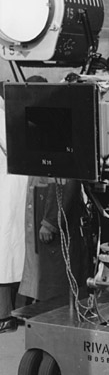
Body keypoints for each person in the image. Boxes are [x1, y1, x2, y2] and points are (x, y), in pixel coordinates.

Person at [19, 76, 90, 304]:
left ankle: (56, 313)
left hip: (55, 210)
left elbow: (66, 178)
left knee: (57, 271)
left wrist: (50, 220)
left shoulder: (58, 123)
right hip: (42, 202)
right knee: (45, 269)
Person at [0, 82, 28, 333]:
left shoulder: (4, 112)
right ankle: (9, 314)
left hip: (11, 188)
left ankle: (8, 315)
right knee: (10, 253)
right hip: (10, 187)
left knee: (9, 254)